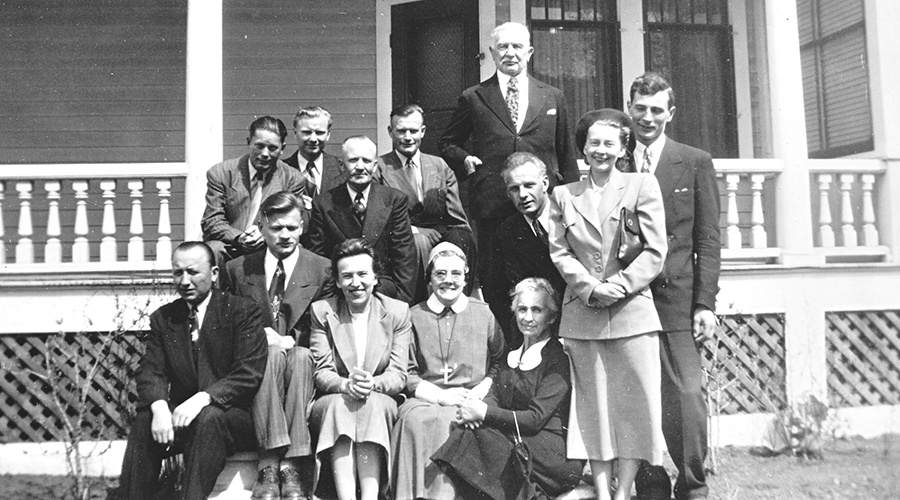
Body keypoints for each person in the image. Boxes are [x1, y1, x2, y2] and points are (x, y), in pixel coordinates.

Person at [548, 109, 668, 500]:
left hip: (632, 312)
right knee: (593, 409)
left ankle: (623, 491)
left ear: (622, 148)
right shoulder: (564, 195)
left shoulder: (641, 185)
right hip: (584, 316)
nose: (601, 150)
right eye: (594, 143)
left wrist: (618, 286)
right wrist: (589, 288)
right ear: (583, 147)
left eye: (609, 143)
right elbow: (560, 252)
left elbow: (655, 250)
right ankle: (602, 492)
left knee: (633, 407)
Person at [627, 72, 722, 500]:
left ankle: (692, 486)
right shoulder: (612, 158)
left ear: (671, 113)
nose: (647, 117)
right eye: (640, 108)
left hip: (677, 301)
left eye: (655, 110)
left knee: (686, 395)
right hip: (626, 298)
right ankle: (650, 483)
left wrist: (705, 303)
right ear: (629, 109)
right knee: (634, 395)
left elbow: (707, 238)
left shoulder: (694, 160)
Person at [119, 242, 267, 500]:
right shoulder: (164, 318)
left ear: (214, 273)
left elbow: (248, 373)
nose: (184, 281)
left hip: (234, 418)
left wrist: (202, 399)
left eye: (193, 272)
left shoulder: (242, 311)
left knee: (209, 416)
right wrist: (159, 407)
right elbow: (150, 370)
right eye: (178, 273)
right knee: (145, 421)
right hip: (185, 418)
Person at [439, 21, 580, 288]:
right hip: (494, 202)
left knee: (551, 275)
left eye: (517, 46)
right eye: (503, 47)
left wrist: (571, 201)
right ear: (492, 53)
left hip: (544, 204)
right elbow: (447, 142)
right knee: (497, 278)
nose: (510, 53)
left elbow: (566, 153)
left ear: (529, 52)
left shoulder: (553, 96)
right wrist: (464, 159)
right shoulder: (474, 97)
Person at [220, 192, 332, 500]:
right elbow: (225, 326)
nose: (285, 235)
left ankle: (291, 465)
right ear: (261, 226)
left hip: (302, 357)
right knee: (268, 354)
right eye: (277, 228)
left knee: (301, 356)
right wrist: (258, 337)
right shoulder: (238, 269)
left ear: (302, 227)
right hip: (255, 362)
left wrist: (291, 339)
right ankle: (269, 465)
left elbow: (325, 325)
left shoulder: (322, 269)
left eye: (293, 228)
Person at [432, 278, 584, 499]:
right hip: (518, 438)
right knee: (470, 431)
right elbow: (494, 395)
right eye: (522, 309)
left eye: (537, 310)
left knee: (476, 438)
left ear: (551, 317)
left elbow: (534, 419)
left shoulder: (557, 358)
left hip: (551, 453)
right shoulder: (513, 353)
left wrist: (482, 413)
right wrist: (480, 412)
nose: (528, 317)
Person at [391, 242, 505, 500]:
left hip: (473, 396)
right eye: (440, 274)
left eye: (456, 273)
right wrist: (441, 397)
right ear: (429, 279)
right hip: (426, 399)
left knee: (456, 420)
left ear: (466, 277)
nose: (448, 280)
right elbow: (407, 372)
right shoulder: (413, 315)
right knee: (421, 421)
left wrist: (477, 393)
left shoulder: (483, 313)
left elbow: (500, 362)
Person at [308, 239, 411, 500]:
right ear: (338, 281)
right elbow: (322, 371)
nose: (356, 283)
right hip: (335, 398)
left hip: (379, 397)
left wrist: (371, 384)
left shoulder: (397, 312)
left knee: (371, 404)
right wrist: (345, 385)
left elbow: (399, 374)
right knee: (342, 405)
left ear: (375, 277)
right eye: (347, 276)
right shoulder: (323, 312)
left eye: (363, 274)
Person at [376, 104, 476, 302]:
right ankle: (420, 305)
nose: (408, 137)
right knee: (418, 241)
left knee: (463, 238)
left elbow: (455, 216)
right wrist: (415, 230)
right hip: (401, 236)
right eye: (401, 131)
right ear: (390, 131)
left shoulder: (439, 165)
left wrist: (462, 237)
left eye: (413, 131)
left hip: (439, 231)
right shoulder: (379, 167)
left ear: (422, 131)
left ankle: (459, 304)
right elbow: (380, 218)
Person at [308, 135, 417, 303]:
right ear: (341, 165)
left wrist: (401, 305)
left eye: (366, 161)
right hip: (341, 295)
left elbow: (404, 258)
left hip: (383, 294)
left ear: (375, 165)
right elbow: (319, 260)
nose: (360, 167)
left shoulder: (394, 200)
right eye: (353, 160)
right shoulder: (324, 204)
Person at [483, 152, 568, 348]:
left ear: (545, 183)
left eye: (529, 185)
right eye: (514, 189)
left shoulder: (569, 215)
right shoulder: (507, 232)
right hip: (538, 326)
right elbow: (503, 289)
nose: (522, 195)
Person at [201, 116, 307, 268]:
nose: (265, 153)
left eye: (272, 148)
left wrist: (264, 234)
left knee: (294, 249)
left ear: (282, 148)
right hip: (231, 245)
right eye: (259, 146)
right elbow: (211, 221)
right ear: (249, 142)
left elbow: (289, 219)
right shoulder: (221, 173)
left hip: (269, 245)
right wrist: (239, 237)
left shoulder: (292, 178)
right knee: (214, 249)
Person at [283, 105, 347, 200]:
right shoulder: (282, 170)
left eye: (319, 132)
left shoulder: (341, 169)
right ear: (295, 133)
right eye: (306, 132)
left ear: (328, 135)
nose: (313, 139)